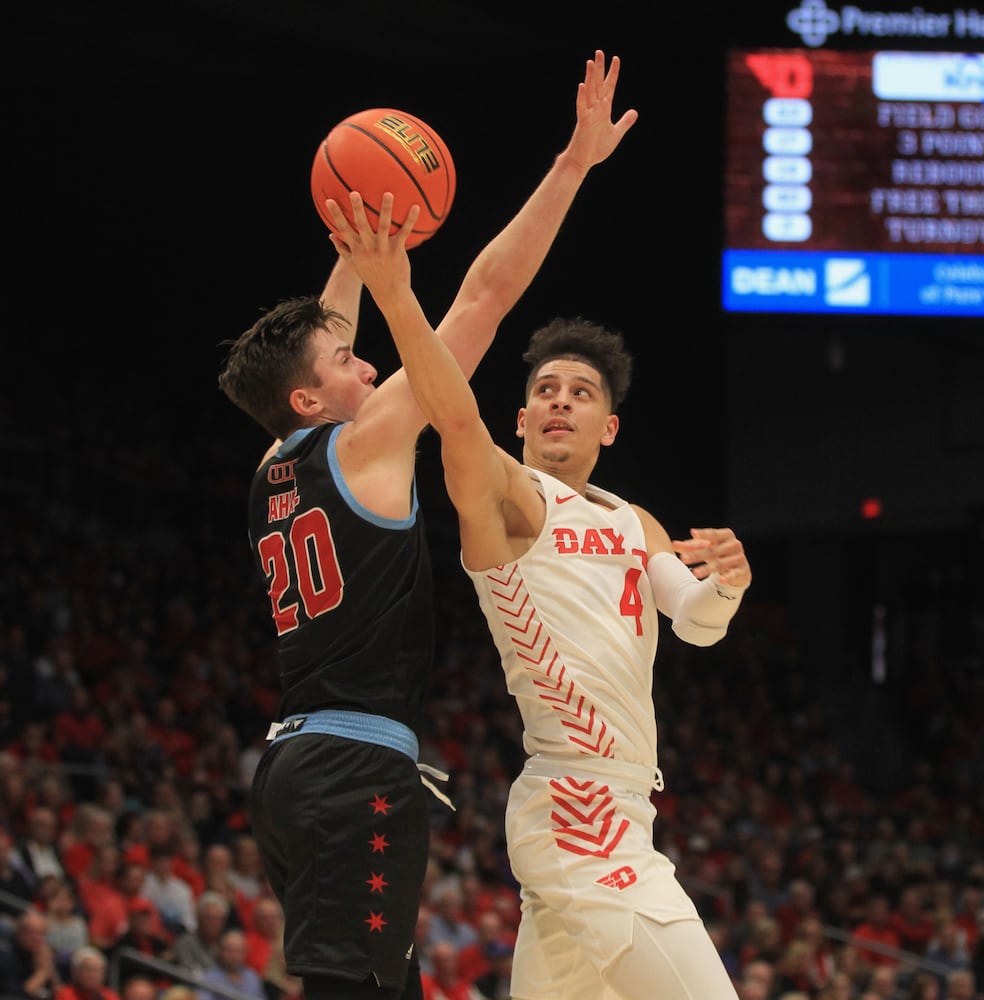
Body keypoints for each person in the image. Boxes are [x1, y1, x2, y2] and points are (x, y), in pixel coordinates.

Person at [217, 49, 636, 1000]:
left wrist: (359, 235)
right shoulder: (364, 439)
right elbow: (485, 298)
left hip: (295, 769)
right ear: (308, 395)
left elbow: (330, 327)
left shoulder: (273, 464)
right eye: (346, 362)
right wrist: (572, 164)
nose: (366, 367)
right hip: (351, 773)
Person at [330, 142, 750, 1000]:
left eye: (582, 393)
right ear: (520, 420)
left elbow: (696, 620)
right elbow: (449, 407)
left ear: (610, 429)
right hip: (579, 807)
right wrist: (398, 296)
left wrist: (731, 585)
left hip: (626, 809)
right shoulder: (509, 497)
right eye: (547, 389)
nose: (561, 399)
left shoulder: (634, 521)